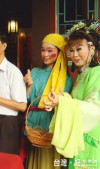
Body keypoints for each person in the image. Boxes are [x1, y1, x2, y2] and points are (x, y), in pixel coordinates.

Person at [43, 20, 100, 169]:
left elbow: (95, 109)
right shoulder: (82, 75)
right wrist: (61, 100)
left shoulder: (98, 73)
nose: (74, 55)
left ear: (92, 48)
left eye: (79, 49)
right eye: (71, 50)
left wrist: (63, 102)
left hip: (92, 139)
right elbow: (77, 102)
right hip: (79, 137)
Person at [24, 34, 73, 169]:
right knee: (33, 159)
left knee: (51, 161)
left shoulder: (66, 79)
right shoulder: (34, 72)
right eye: (42, 50)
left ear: (59, 52)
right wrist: (28, 86)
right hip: (34, 126)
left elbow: (65, 106)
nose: (45, 54)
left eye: (50, 51)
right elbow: (26, 100)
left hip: (51, 123)